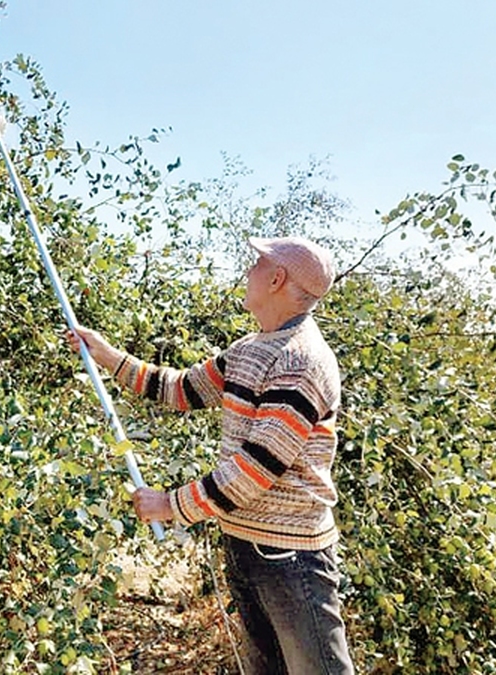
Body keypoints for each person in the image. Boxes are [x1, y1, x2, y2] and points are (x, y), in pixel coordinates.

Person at [67, 236, 354, 675]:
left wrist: (170, 505)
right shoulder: (250, 349)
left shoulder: (301, 362)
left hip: (290, 558)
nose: (248, 272)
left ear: (277, 278)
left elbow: (254, 471)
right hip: (247, 544)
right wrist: (107, 355)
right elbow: (180, 389)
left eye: (257, 264)